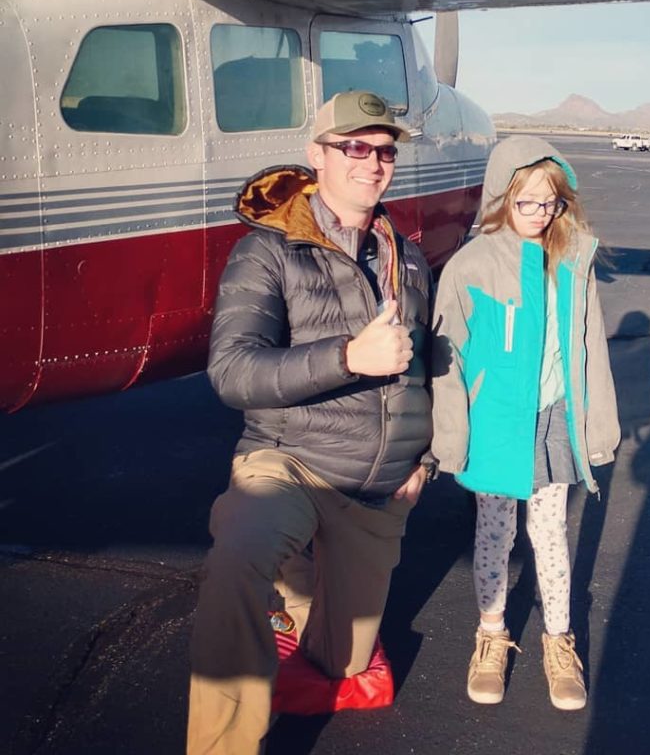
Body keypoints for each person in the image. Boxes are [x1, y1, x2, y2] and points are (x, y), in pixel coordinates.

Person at [188, 91, 435, 755]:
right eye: (353, 146)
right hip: (288, 461)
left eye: (383, 150)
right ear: (316, 156)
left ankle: (299, 599)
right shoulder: (266, 252)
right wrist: (347, 358)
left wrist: (427, 458)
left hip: (376, 486)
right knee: (239, 557)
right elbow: (233, 371)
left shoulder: (406, 256)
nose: (372, 162)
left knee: (344, 664)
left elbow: (430, 367)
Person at [432, 136, 621, 712]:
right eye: (528, 203)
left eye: (551, 204)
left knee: (550, 533)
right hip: (496, 422)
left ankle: (558, 641)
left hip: (555, 419)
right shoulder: (471, 265)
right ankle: (491, 634)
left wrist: (597, 426)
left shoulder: (573, 259)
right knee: (495, 532)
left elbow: (590, 349)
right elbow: (448, 357)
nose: (541, 215)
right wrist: (452, 436)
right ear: (501, 199)